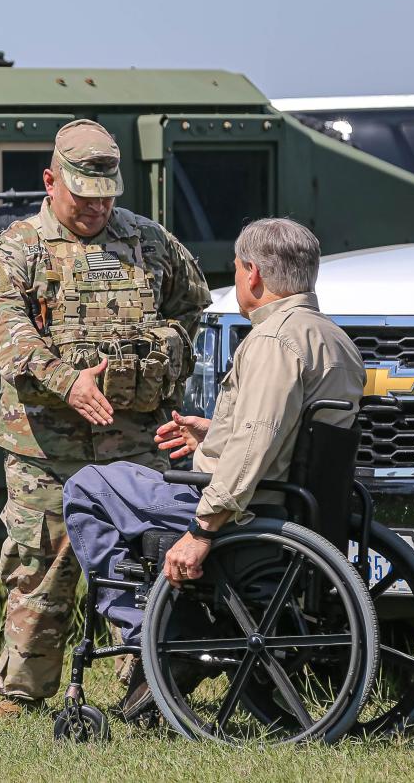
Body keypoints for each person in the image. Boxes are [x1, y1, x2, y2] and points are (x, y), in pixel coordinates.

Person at [61, 217, 366, 718]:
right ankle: (171, 630)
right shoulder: (333, 340)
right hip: (296, 507)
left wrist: (203, 529)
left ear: (252, 275)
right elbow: (284, 436)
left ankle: (158, 636)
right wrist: (214, 435)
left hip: (247, 515)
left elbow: (255, 443)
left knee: (90, 485)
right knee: (131, 480)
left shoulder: (274, 342)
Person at [0, 119, 211, 722]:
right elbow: (8, 337)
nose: (97, 209)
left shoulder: (151, 243)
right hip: (47, 443)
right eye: (83, 197)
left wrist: (160, 350)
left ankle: (148, 683)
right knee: (41, 563)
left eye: (107, 198)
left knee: (147, 555)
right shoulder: (15, 249)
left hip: (135, 435)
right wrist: (66, 381)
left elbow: (191, 309)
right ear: (51, 181)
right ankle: (23, 694)